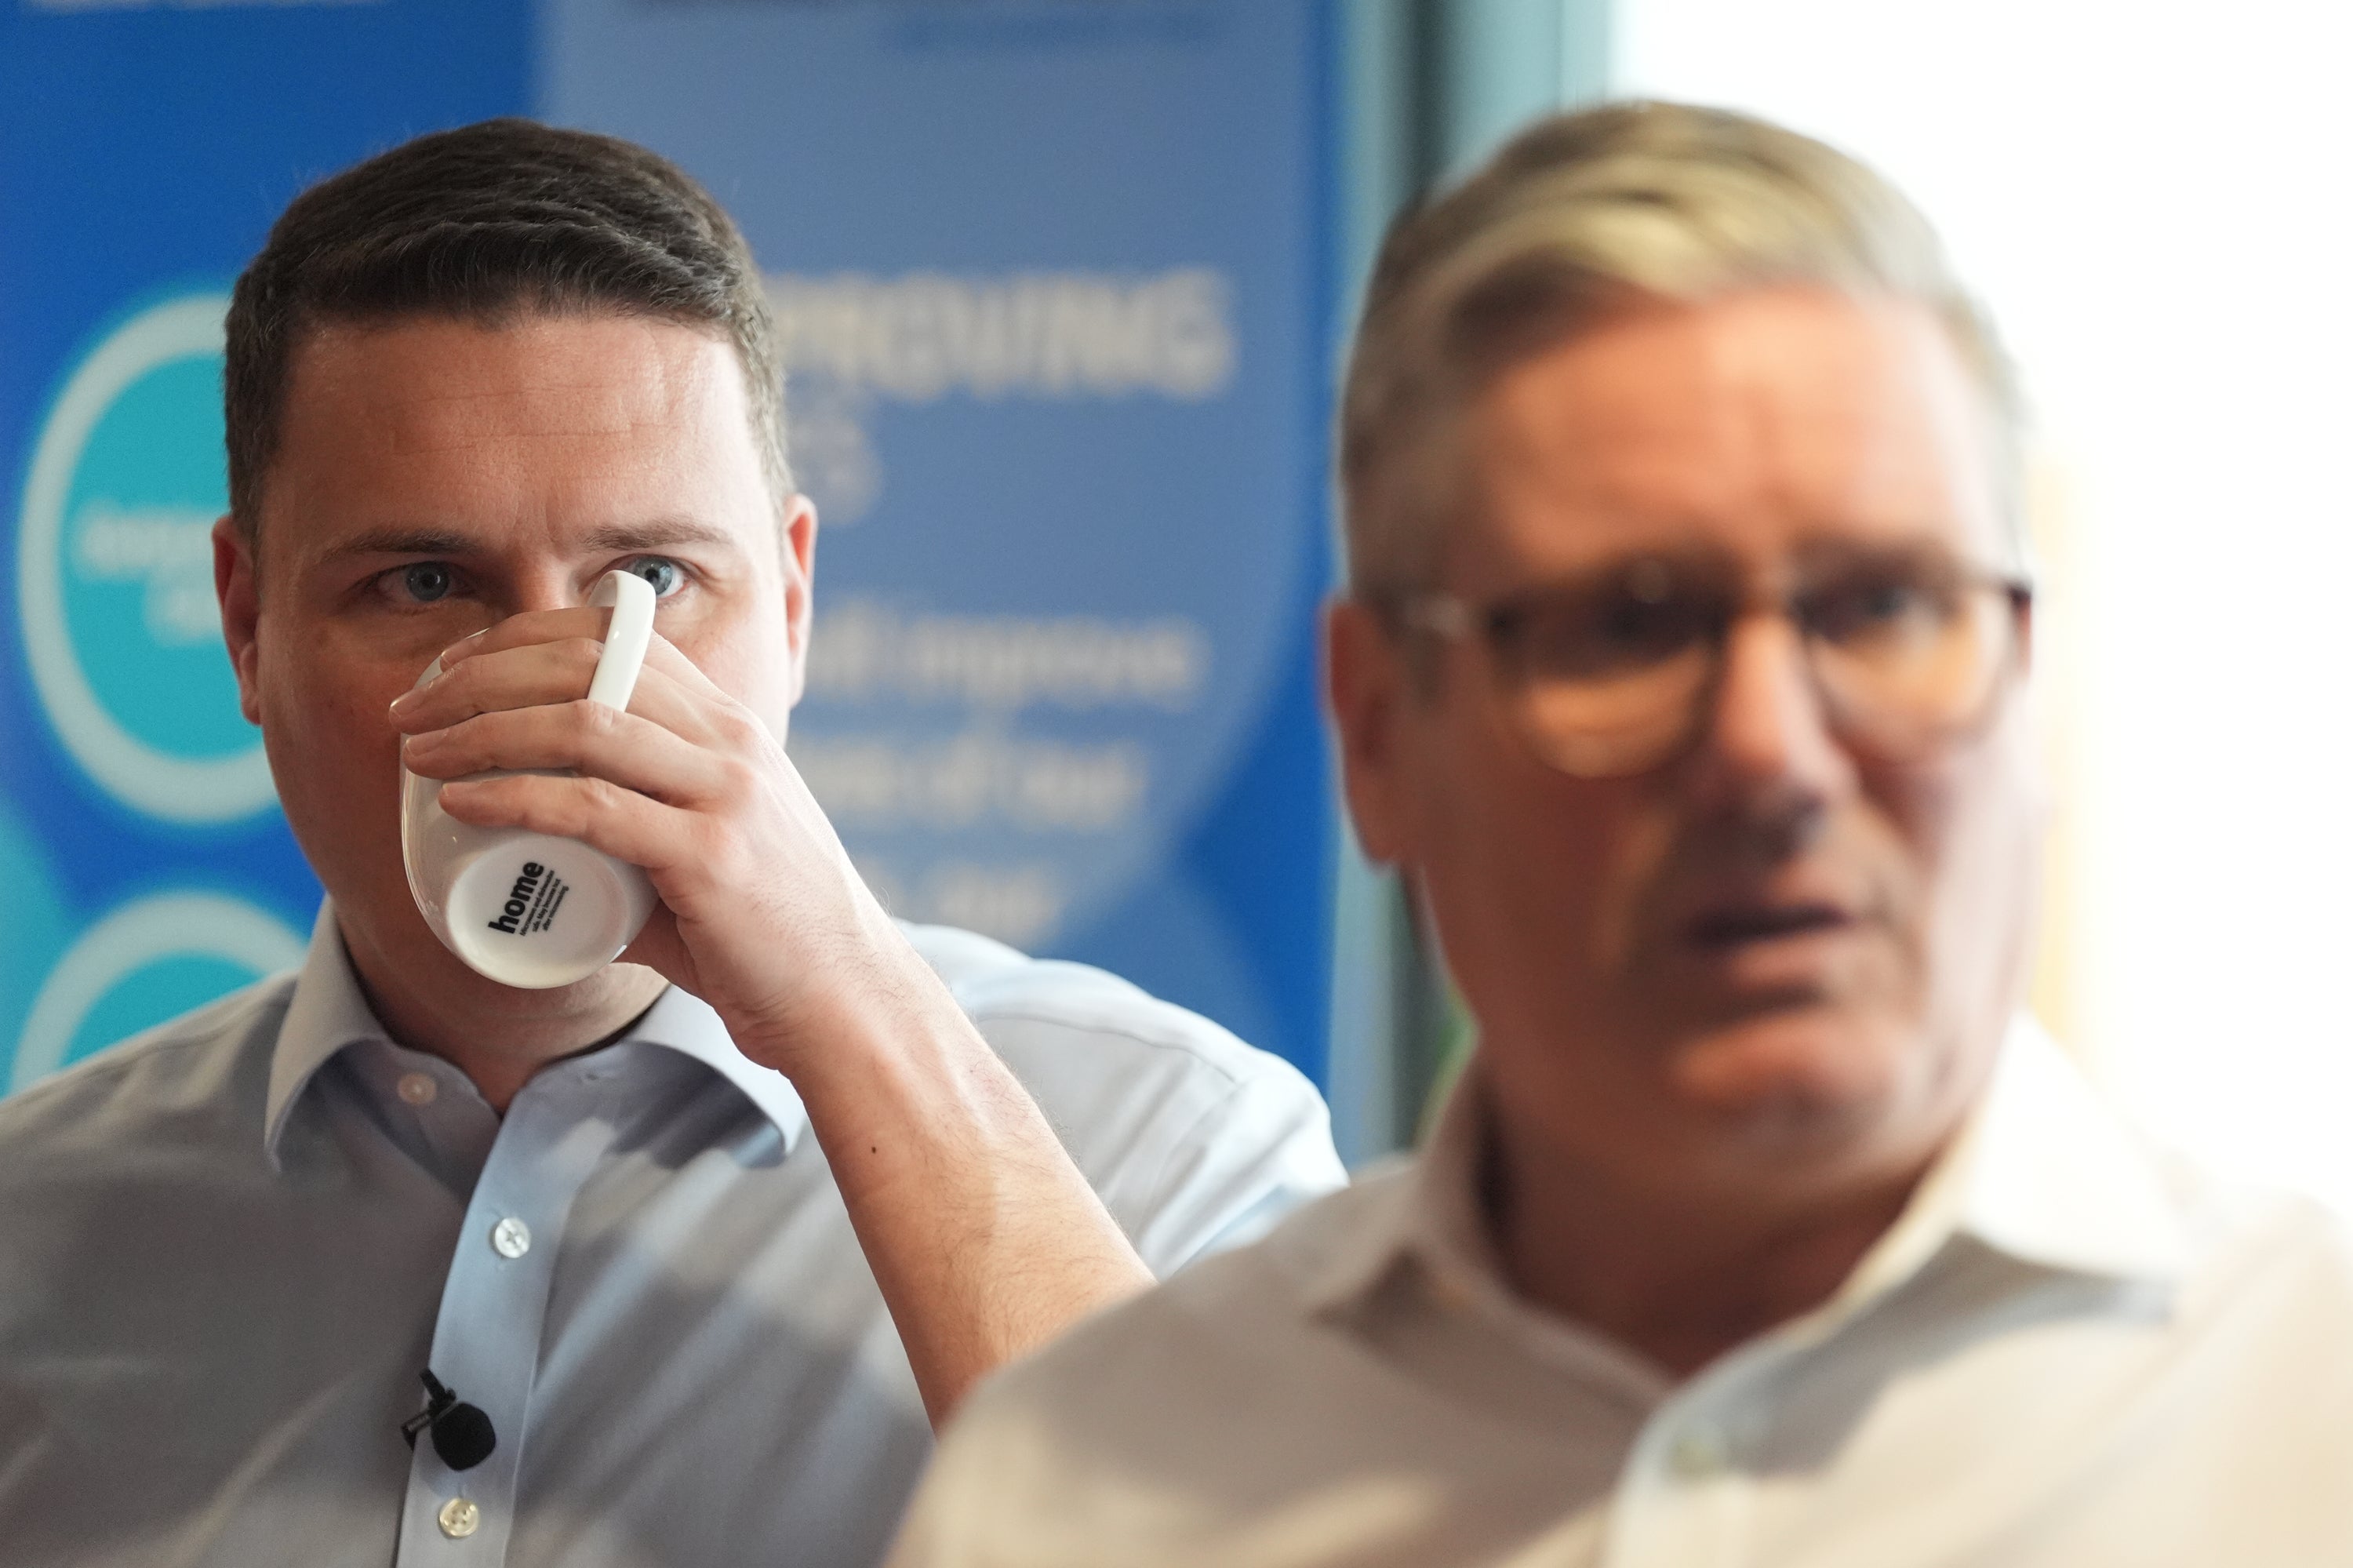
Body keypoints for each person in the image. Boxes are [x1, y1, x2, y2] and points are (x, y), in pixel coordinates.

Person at [889, 101, 2353, 1566]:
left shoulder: (2302, 1407)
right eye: (1629, 626)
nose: (1772, 754)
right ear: (1383, 725)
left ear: (2029, 673)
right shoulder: (1088, 1493)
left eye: (1884, 606)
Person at [0, 119, 1343, 1567]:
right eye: (424, 580)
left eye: (650, 578)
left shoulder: (1170, 1154)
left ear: (794, 603)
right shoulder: (39, 1239)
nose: (564, 683)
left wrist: (846, 1005)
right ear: (248, 627)